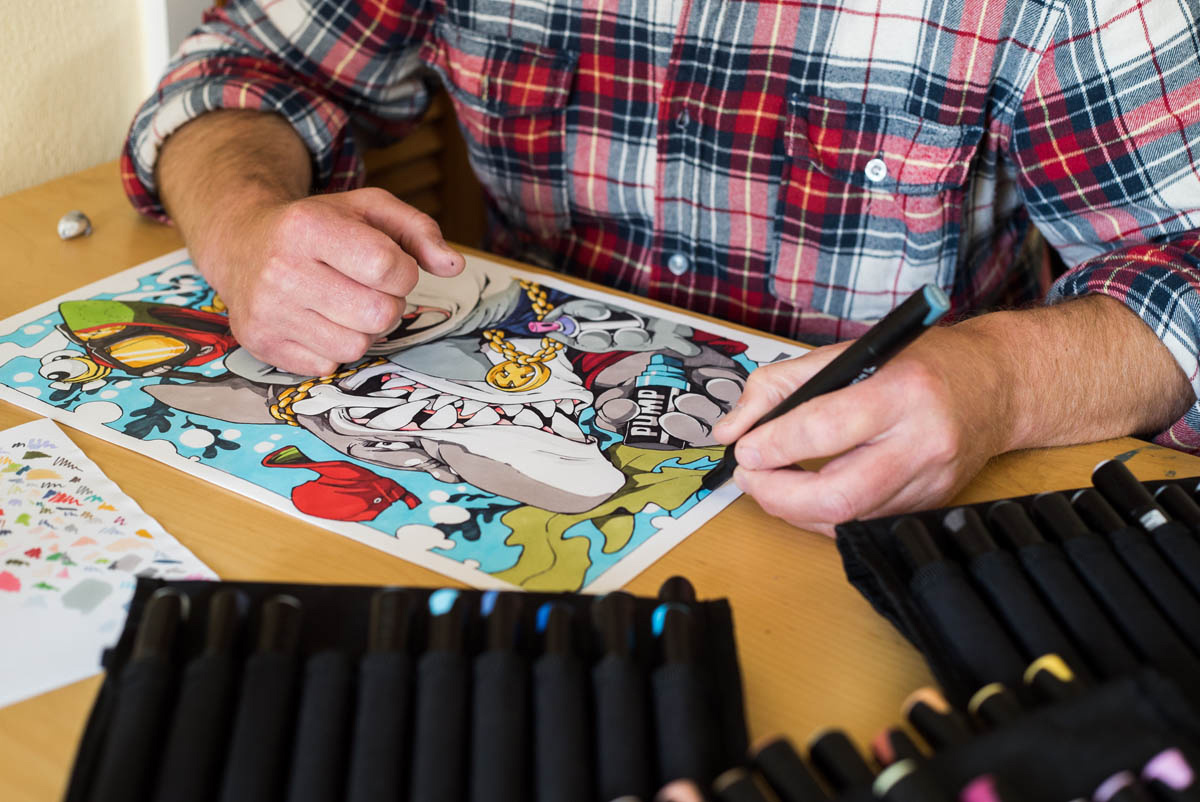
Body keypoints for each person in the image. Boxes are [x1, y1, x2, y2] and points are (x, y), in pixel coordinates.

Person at [124, 0, 1200, 534]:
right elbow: (244, 64)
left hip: (881, 507)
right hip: (518, 482)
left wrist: (997, 383)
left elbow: (1185, 269)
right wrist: (243, 223)